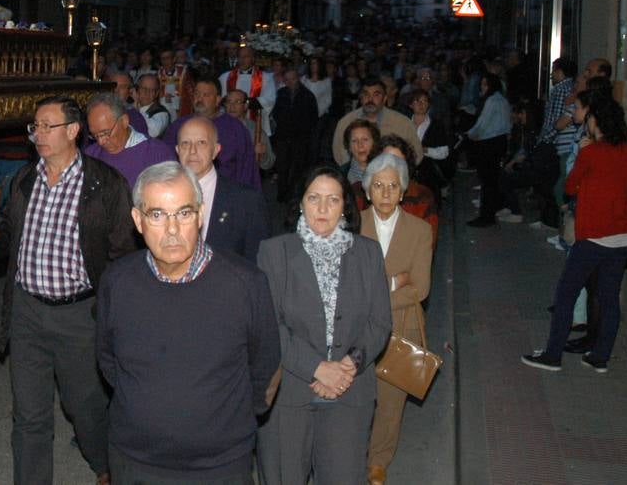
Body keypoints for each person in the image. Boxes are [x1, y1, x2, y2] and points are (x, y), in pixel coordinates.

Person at [0, 96, 137, 485]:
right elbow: (11, 231)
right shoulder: (25, 179)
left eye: (48, 126)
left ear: (73, 131)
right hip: (27, 312)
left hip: (80, 316)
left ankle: (106, 466)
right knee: (29, 416)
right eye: (35, 127)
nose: (37, 135)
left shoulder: (104, 185)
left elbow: (123, 257)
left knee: (86, 408)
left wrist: (113, 318)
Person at [96, 161, 280, 484]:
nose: (171, 229)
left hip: (220, 466)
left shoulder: (246, 284)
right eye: (157, 215)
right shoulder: (117, 281)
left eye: (183, 213)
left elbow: (265, 368)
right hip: (135, 462)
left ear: (200, 215)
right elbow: (108, 361)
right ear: (138, 220)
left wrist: (225, 426)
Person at [256, 165, 391, 485]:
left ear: (345, 205)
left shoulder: (368, 253)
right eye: (313, 198)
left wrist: (346, 366)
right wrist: (318, 368)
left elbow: (380, 322)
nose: (322, 208)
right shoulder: (274, 253)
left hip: (349, 391)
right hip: (288, 392)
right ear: (300, 202)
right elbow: (269, 325)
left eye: (332, 200)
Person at [522, 95, 627, 374]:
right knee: (609, 297)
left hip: (595, 235)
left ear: (595, 121)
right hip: (624, 234)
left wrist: (584, 152)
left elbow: (571, 186)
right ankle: (600, 357)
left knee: (566, 294)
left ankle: (552, 355)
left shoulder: (591, 152)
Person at [359, 153, 434, 485]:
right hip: (356, 329)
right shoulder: (352, 223)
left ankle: (379, 461)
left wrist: (375, 290)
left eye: (393, 186)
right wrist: (393, 282)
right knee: (356, 396)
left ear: (403, 191)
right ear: (367, 190)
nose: (386, 193)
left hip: (400, 330)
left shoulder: (419, 230)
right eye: (378, 185)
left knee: (391, 401)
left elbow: (420, 287)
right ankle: (349, 452)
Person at [174, 117, 269, 262]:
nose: (192, 151)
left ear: (216, 150)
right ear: (177, 150)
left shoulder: (247, 201)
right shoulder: (164, 197)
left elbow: (258, 263)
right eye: (185, 143)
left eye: (201, 143)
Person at [162, 78, 260, 189]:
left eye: (206, 95)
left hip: (225, 192)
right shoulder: (178, 126)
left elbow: (246, 167)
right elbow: (166, 162)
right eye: (197, 94)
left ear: (218, 100)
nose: (199, 99)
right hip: (185, 189)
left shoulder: (234, 127)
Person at [84, 91, 177, 189]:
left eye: (106, 133)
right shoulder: (91, 155)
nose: (100, 142)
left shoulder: (157, 153)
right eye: (95, 135)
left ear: (124, 121)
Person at [332, 78, 423, 166]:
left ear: (384, 99)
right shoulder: (346, 122)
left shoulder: (402, 123)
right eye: (366, 94)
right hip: (355, 177)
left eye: (376, 95)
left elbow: (416, 154)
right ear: (361, 98)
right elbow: (339, 154)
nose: (370, 99)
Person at [465, 73, 514, 228]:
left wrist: (470, 135)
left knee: (487, 181)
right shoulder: (503, 100)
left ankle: (486, 215)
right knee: (492, 179)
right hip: (499, 141)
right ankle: (492, 209)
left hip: (489, 142)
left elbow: (482, 123)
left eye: (485, 84)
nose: (482, 88)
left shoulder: (492, 100)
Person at [376, 135, 439, 241]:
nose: (392, 167)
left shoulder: (421, 197)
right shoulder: (360, 193)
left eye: (398, 162)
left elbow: (427, 244)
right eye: (386, 161)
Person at [272, 67, 319, 204]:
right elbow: (276, 113)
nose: (290, 82)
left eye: (293, 79)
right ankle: (282, 193)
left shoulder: (307, 95)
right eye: (287, 80)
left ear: (297, 78)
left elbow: (312, 118)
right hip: (283, 135)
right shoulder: (281, 93)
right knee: (282, 166)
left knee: (297, 167)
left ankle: (293, 194)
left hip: (300, 137)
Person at [219, 45, 277, 141]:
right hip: (231, 124)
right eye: (240, 57)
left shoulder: (266, 78)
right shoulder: (225, 77)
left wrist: (243, 103)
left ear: (253, 58)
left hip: (256, 123)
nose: (242, 60)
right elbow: (221, 100)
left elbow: (270, 100)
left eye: (246, 57)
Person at [340, 118, 381, 197]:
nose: (360, 145)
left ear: (375, 143)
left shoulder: (387, 171)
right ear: (349, 147)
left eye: (365, 140)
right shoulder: (340, 174)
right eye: (354, 141)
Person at [133, 73, 172, 139]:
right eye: (143, 88)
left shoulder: (162, 113)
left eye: (151, 90)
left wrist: (135, 109)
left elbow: (153, 132)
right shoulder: (128, 106)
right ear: (137, 90)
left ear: (156, 94)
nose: (147, 92)